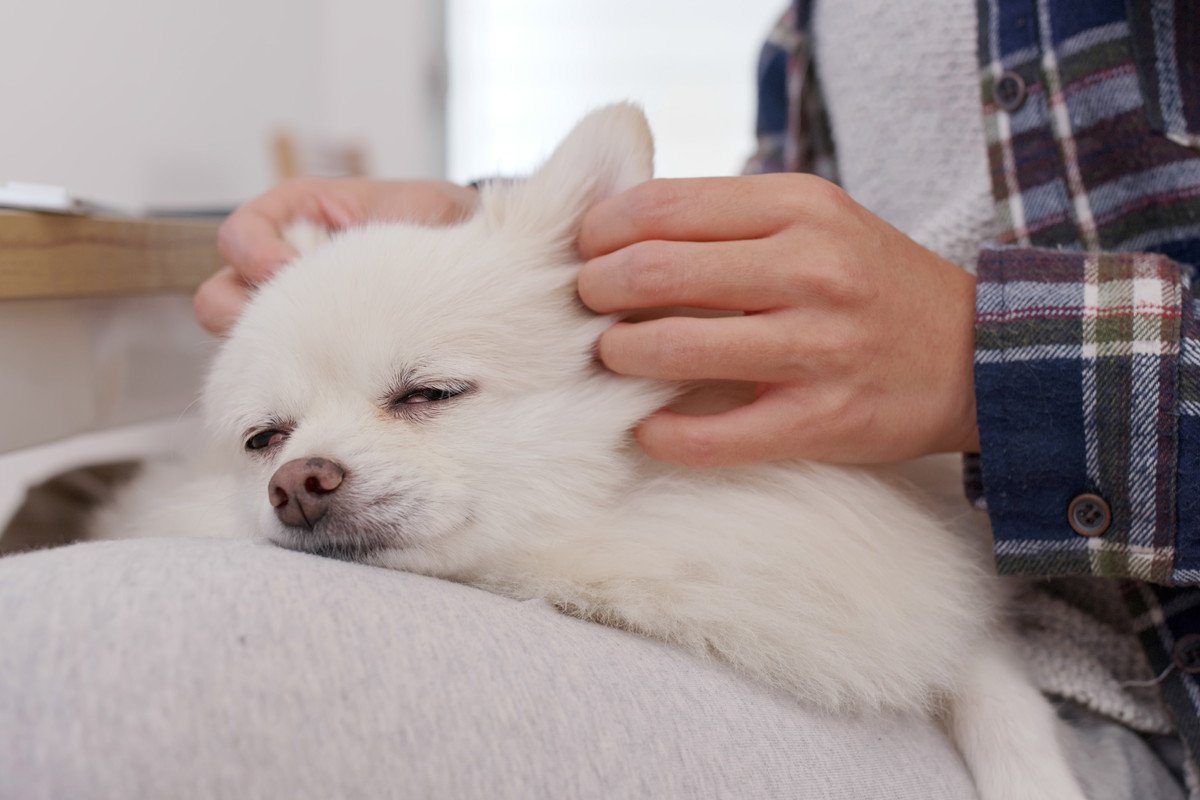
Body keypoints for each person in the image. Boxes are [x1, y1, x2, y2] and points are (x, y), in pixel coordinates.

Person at [1, 0, 1196, 798]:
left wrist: (997, 359)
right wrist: (478, 244)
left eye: (423, 392)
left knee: (85, 668)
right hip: (964, 625)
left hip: (1152, 690)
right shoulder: (812, 24)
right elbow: (800, 260)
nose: (299, 472)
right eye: (269, 436)